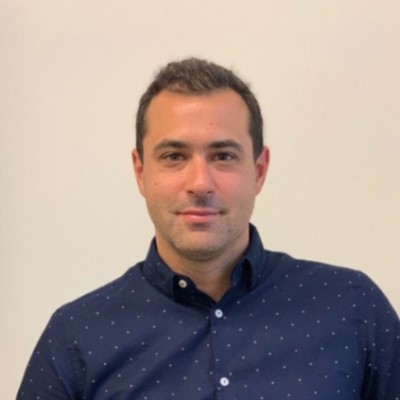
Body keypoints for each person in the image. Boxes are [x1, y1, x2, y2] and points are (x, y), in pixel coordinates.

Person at [17, 58, 399, 400]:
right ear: (140, 171)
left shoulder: (353, 308)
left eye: (223, 156)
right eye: (174, 156)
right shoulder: (76, 336)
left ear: (259, 170)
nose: (200, 183)